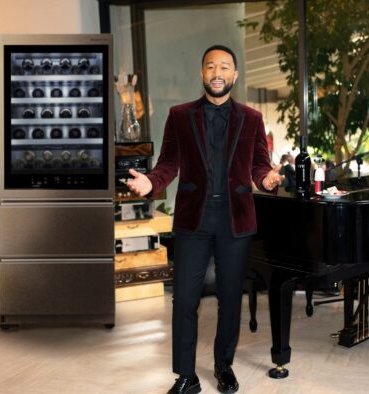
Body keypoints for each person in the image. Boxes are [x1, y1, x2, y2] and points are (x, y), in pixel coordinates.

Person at [125, 45, 284, 394]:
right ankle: (186, 376)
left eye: (224, 67)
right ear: (202, 73)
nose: (217, 72)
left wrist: (266, 180)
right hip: (193, 221)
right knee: (184, 298)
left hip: (235, 220)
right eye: (210, 66)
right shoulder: (180, 116)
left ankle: (223, 366)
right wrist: (151, 181)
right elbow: (168, 162)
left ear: (234, 75)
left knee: (230, 298)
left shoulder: (251, 118)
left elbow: (259, 164)